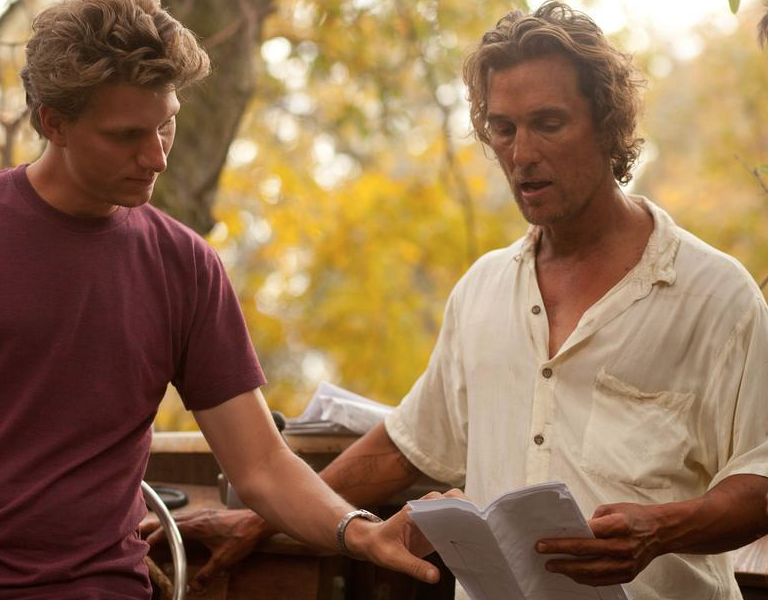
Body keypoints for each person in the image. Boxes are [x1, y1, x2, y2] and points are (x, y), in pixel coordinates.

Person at [0, 1, 445, 599]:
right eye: (126, 135)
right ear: (53, 122)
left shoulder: (186, 266)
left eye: (166, 124)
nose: (157, 156)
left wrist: (359, 531)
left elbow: (260, 464)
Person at [160, 3, 768, 599]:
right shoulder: (483, 290)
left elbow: (762, 478)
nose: (522, 153)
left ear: (607, 125)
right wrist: (259, 521)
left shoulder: (715, 295)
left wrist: (661, 530)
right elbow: (405, 447)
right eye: (503, 129)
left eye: (548, 123)